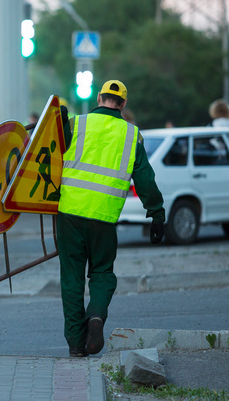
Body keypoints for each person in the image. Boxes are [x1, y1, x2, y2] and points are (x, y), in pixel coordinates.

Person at [57, 80, 165, 358]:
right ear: (123, 104)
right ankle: (95, 315)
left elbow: (47, 156)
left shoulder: (76, 124)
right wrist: (157, 215)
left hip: (69, 212)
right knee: (102, 273)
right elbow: (145, 179)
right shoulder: (132, 135)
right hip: (104, 217)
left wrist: (55, 121)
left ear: (99, 97)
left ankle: (76, 344)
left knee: (71, 277)